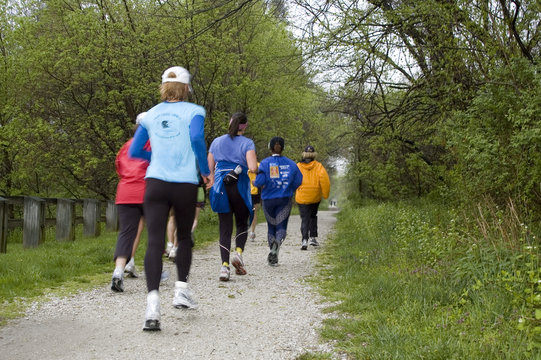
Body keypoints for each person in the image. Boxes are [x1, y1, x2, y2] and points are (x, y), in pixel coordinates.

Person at [129, 66, 211, 331]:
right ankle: (181, 290)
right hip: (184, 184)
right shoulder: (195, 111)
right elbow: (197, 137)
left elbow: (135, 150)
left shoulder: (149, 114)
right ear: (186, 88)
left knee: (154, 241)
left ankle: (152, 307)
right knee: (184, 237)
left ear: (163, 87)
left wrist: (156, 159)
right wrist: (205, 170)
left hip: (155, 184)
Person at [208, 112, 258, 281]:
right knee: (242, 222)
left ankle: (224, 267)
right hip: (239, 185)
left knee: (224, 226)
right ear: (244, 126)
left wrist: (213, 181)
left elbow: (209, 168)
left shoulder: (216, 142)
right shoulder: (247, 143)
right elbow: (252, 166)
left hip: (221, 184)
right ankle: (238, 253)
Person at [111, 112, 149, 292]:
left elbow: (119, 167)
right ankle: (155, 267)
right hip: (147, 191)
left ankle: (119, 270)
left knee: (126, 232)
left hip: (125, 192)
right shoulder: (154, 144)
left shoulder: (126, 146)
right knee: (155, 231)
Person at [254, 137, 303, 266]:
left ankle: (272, 249)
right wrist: (289, 189)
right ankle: (277, 245)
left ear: (270, 147)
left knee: (271, 226)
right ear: (283, 148)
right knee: (281, 226)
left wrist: (255, 181)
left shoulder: (265, 163)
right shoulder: (292, 164)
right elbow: (299, 180)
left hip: (268, 200)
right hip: (284, 199)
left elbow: (259, 182)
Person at [295, 145, 331, 250]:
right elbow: (325, 181)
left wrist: (293, 190)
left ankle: (304, 240)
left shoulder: (298, 166)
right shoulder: (319, 166)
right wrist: (325, 194)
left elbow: (293, 179)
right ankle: (313, 238)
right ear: (313, 155)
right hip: (315, 196)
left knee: (304, 218)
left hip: (302, 196)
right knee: (313, 215)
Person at [248, 162, 261, 241]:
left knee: (252, 212)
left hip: (252, 191)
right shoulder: (258, 165)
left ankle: (251, 232)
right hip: (252, 191)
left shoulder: (244, 164)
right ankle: (252, 232)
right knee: (253, 212)